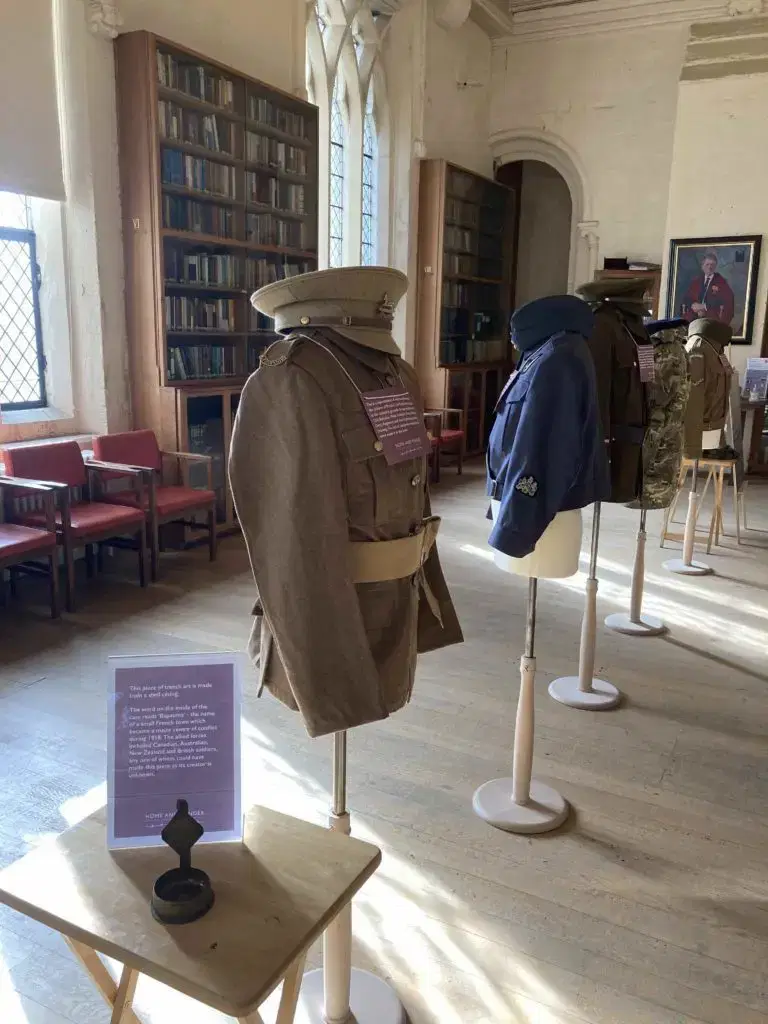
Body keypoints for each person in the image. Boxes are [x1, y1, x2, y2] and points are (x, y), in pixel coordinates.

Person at [680, 250, 735, 326]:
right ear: (702, 266)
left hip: (712, 317)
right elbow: (687, 298)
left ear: (715, 266)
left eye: (712, 265)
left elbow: (726, 300)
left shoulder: (721, 282)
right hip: (694, 316)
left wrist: (704, 307)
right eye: (707, 264)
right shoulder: (696, 281)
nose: (710, 267)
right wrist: (693, 305)